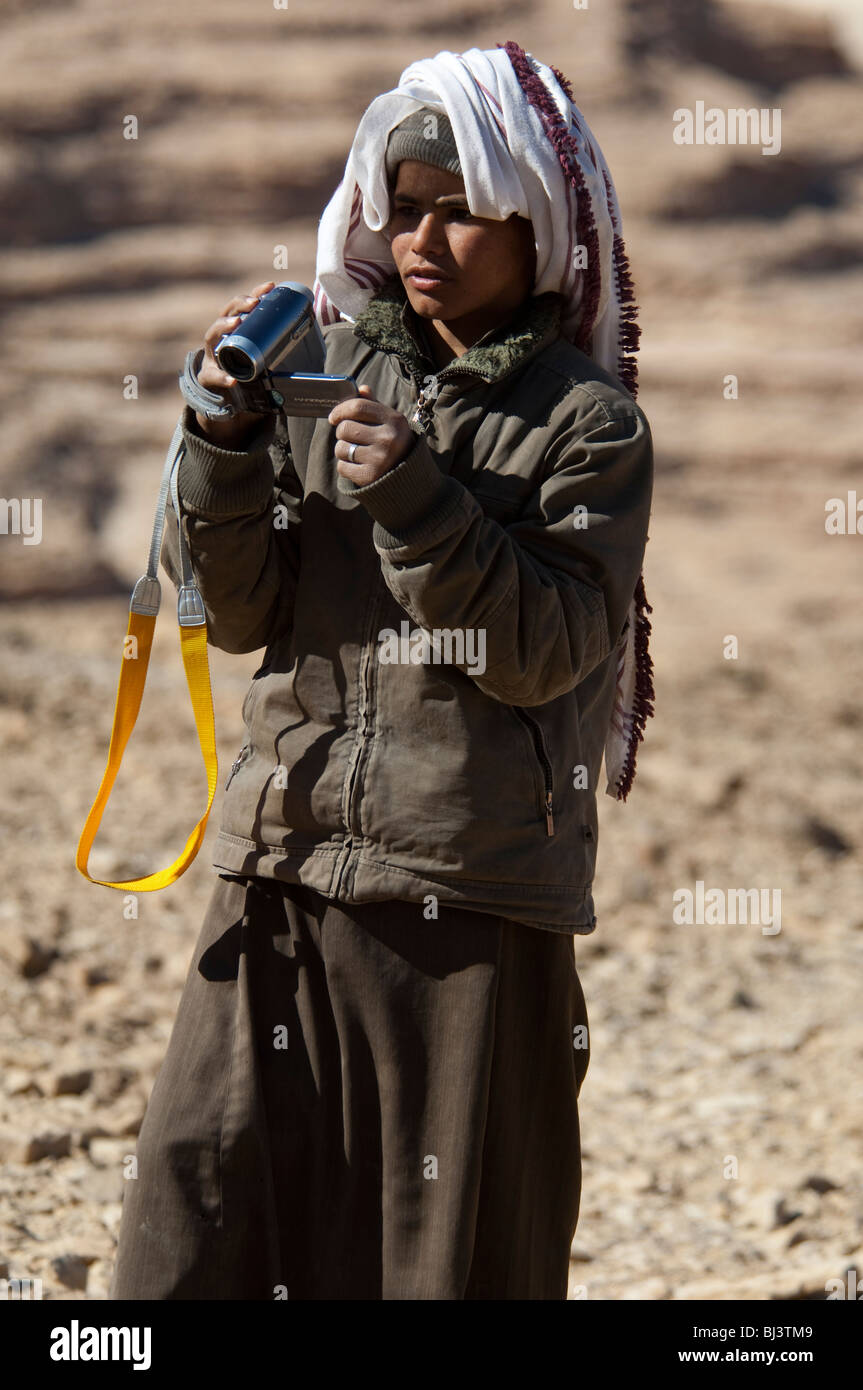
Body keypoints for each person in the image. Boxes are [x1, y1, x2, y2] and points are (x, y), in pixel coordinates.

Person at [109, 40, 654, 1302]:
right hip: (280, 872)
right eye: (402, 209)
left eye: (458, 211)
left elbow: (540, 648)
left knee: (441, 1264)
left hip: (464, 908)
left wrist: (415, 492)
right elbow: (239, 612)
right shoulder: (326, 380)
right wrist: (221, 444)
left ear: (540, 227)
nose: (421, 239)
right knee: (190, 1243)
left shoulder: (586, 427)